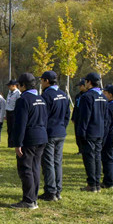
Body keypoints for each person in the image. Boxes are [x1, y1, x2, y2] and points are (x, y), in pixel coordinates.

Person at [10, 73, 48, 209]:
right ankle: (33, 197)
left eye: (18, 84)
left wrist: (17, 143)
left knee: (25, 168)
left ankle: (28, 200)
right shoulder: (41, 99)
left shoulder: (23, 100)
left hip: (29, 138)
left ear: (22, 85)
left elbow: (20, 123)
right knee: (35, 168)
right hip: (41, 137)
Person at [39, 71, 70, 201]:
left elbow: (43, 116)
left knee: (48, 162)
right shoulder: (63, 95)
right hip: (61, 132)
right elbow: (67, 115)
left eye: (42, 80)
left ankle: (50, 191)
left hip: (50, 133)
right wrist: (62, 127)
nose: (41, 82)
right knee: (57, 162)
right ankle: (58, 190)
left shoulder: (46, 95)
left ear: (46, 81)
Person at [76, 72, 107, 192]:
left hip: (89, 132)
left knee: (89, 158)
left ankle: (91, 184)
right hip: (100, 131)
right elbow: (106, 117)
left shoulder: (87, 96)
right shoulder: (103, 97)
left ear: (89, 82)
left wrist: (81, 133)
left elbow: (85, 117)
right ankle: (97, 183)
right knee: (97, 158)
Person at [3, 80, 21, 148]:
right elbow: (7, 103)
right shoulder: (9, 92)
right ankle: (9, 143)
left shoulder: (18, 93)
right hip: (8, 112)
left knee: (14, 128)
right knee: (9, 129)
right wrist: (5, 114)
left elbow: (18, 104)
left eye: (9, 85)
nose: (8, 87)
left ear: (14, 85)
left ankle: (13, 143)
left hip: (14, 112)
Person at [71, 78, 87, 154]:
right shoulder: (78, 96)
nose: (79, 87)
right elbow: (75, 107)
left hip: (83, 117)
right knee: (77, 134)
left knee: (83, 134)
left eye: (80, 86)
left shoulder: (87, 96)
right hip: (77, 118)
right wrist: (73, 117)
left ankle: (84, 149)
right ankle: (80, 149)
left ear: (84, 86)